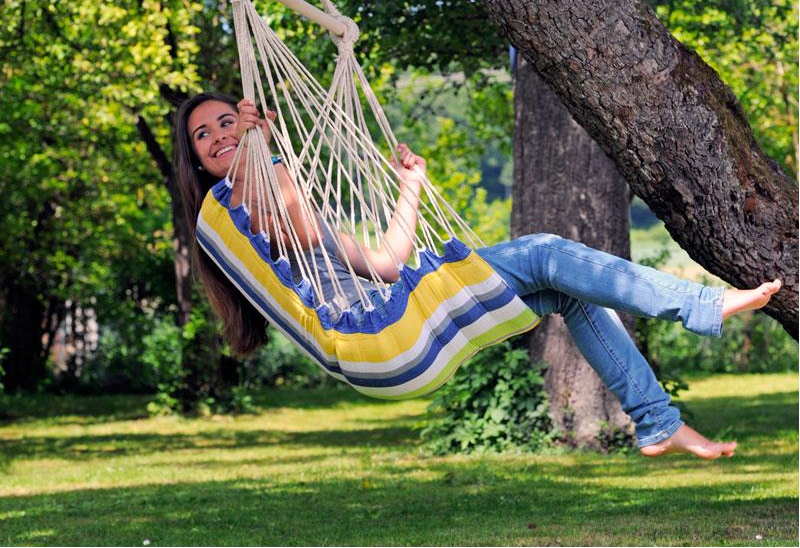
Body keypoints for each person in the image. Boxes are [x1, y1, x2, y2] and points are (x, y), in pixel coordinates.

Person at [174, 91, 782, 461]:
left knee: (563, 293)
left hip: (391, 343)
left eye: (227, 122)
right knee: (545, 251)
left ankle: (657, 424)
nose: (221, 135)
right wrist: (265, 149)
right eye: (205, 135)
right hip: (375, 341)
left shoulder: (268, 197)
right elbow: (289, 222)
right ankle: (702, 305)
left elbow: (386, 262)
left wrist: (410, 189)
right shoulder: (231, 212)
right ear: (198, 161)